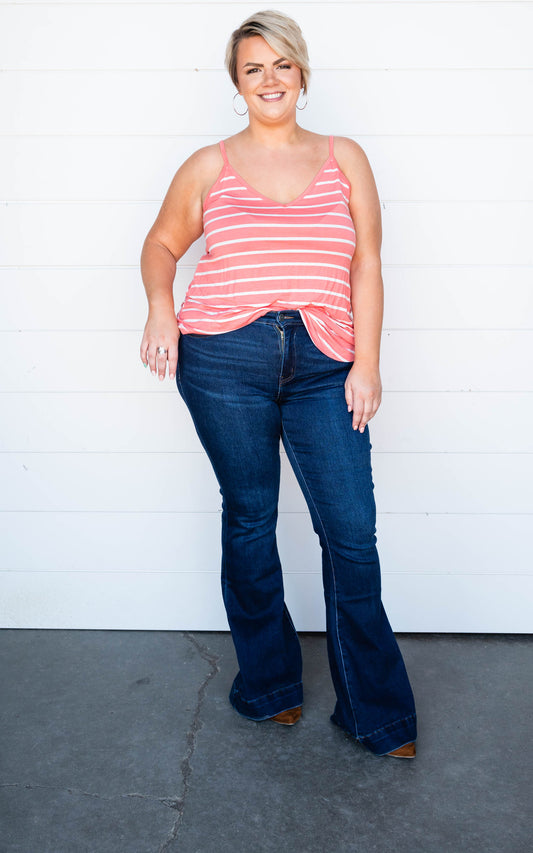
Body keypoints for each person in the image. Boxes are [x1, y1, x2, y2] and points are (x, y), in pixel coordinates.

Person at [140, 10, 417, 758]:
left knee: (350, 533)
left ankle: (376, 712)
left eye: (281, 65)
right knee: (251, 516)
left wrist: (367, 361)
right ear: (237, 82)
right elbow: (162, 244)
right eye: (253, 68)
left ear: (302, 74)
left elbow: (366, 264)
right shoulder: (209, 165)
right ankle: (269, 686)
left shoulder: (344, 157)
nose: (269, 79)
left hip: (327, 361)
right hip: (224, 358)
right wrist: (162, 310)